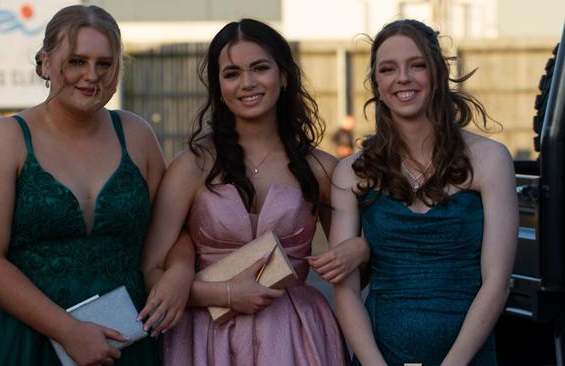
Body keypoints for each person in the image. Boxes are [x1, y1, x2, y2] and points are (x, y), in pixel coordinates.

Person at [0, 5, 190, 365]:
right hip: (22, 341)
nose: (91, 76)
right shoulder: (5, 140)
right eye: (77, 61)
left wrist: (180, 274)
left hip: (124, 340)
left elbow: (174, 229)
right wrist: (68, 331)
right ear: (45, 63)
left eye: (104, 64)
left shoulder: (136, 135)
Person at [139, 18, 368, 366]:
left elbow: (350, 277)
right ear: (218, 85)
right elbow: (151, 269)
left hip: (297, 336)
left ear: (284, 75)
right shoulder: (192, 166)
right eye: (232, 73)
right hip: (205, 338)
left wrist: (361, 249)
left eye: (260, 68)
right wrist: (223, 293)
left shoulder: (321, 168)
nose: (247, 83)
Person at [331, 19, 518, 365]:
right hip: (380, 356)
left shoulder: (490, 160)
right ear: (376, 83)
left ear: (438, 73)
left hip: (468, 358)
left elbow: (497, 281)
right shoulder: (353, 173)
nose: (402, 77)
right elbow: (346, 289)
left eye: (416, 65)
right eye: (388, 69)